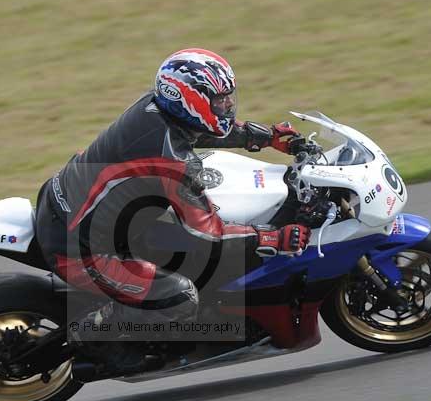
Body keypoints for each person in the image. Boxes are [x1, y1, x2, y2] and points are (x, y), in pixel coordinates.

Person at [35, 49, 311, 368]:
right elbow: (211, 233)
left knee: (184, 252)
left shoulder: (156, 110)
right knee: (179, 297)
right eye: (219, 100)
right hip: (79, 249)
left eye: (228, 98)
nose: (228, 105)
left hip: (73, 206)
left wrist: (267, 138)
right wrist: (272, 238)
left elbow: (207, 129)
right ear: (189, 100)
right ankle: (92, 339)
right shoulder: (173, 161)